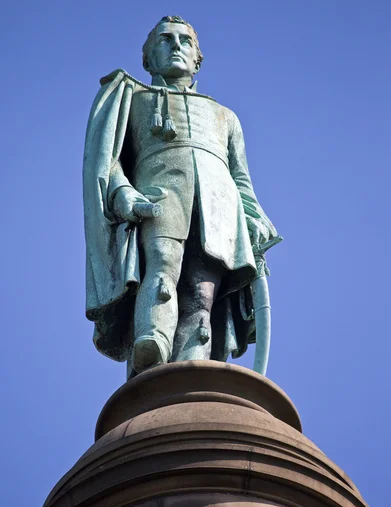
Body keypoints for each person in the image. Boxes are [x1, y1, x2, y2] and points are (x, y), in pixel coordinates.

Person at [83, 16, 281, 376]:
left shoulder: (226, 117)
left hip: (218, 209)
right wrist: (123, 192)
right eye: (165, 40)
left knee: (202, 296)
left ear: (197, 59)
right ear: (148, 59)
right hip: (159, 196)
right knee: (161, 265)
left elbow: (241, 178)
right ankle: (153, 342)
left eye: (185, 41)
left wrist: (255, 218)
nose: (176, 46)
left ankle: (193, 369)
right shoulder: (132, 99)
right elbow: (107, 161)